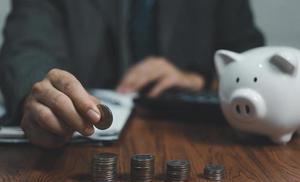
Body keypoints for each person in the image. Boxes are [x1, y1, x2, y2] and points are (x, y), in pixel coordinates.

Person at [0, 0, 264, 148]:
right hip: (78, 145)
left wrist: (201, 80)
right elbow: (26, 48)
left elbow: (251, 56)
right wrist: (37, 94)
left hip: (194, 135)